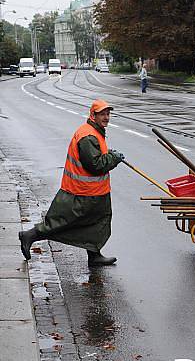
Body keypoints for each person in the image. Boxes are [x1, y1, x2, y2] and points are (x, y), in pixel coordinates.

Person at [19, 99, 124, 267]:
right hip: (83, 193)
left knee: (97, 223)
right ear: (93, 115)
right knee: (63, 222)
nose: (106, 117)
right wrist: (113, 158)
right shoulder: (88, 136)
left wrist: (109, 154)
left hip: (95, 192)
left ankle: (94, 255)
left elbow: (95, 157)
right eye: (102, 114)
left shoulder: (94, 132)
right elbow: (95, 166)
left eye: (108, 114)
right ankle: (30, 235)